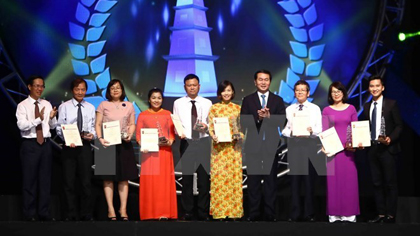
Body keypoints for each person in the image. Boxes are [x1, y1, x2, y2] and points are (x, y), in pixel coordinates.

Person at [240, 70, 286, 221]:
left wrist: (269, 117)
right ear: (255, 82)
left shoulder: (277, 100)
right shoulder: (248, 100)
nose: (263, 82)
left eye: (266, 79)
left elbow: (282, 121)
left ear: (270, 81)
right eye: (260, 79)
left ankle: (270, 213)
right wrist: (258, 118)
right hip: (253, 146)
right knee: (253, 181)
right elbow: (243, 122)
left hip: (271, 146)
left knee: (270, 181)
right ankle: (254, 213)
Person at [95, 79, 138, 221]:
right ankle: (110, 209)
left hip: (124, 144)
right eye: (112, 88)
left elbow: (132, 124)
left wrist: (130, 134)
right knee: (108, 179)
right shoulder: (103, 104)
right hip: (107, 144)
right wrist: (100, 138)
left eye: (118, 87)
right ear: (108, 90)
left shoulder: (129, 105)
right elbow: (98, 123)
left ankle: (123, 209)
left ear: (122, 90)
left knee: (123, 179)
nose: (115, 90)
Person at [16, 75, 58, 221]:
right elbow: (21, 126)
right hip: (30, 145)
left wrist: (52, 117)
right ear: (29, 87)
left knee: (45, 180)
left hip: (45, 144)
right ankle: (29, 213)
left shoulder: (46, 104)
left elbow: (52, 127)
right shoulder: (22, 105)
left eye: (42, 86)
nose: (40, 89)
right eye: (37, 86)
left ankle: (44, 213)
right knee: (29, 180)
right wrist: (38, 119)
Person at [173, 74, 212, 221]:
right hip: (187, 142)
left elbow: (211, 122)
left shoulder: (207, 102)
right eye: (189, 85)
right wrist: (179, 132)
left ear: (199, 86)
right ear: (185, 87)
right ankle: (188, 211)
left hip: (203, 142)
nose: (192, 87)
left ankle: (203, 212)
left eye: (194, 85)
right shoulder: (178, 103)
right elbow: (176, 121)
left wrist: (206, 127)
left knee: (203, 179)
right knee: (187, 179)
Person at [364, 75, 403, 224]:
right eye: (372, 86)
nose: (374, 89)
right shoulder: (367, 106)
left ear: (382, 87)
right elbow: (365, 127)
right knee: (376, 183)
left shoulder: (391, 104)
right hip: (373, 148)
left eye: (377, 86)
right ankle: (380, 214)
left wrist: (390, 138)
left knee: (390, 183)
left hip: (388, 148)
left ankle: (391, 216)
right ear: (369, 88)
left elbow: (399, 126)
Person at [56, 78, 96, 221]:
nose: (80, 92)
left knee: (86, 181)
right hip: (69, 146)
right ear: (72, 90)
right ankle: (70, 214)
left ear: (86, 90)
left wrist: (93, 135)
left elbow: (93, 128)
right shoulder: (64, 106)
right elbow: (59, 127)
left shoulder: (91, 107)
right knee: (69, 181)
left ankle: (86, 213)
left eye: (83, 89)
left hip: (85, 147)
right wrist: (67, 138)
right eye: (77, 89)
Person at [282, 79, 322, 222]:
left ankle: (309, 213)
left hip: (309, 146)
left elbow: (320, 129)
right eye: (297, 90)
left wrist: (312, 131)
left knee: (309, 181)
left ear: (308, 92)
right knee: (294, 181)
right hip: (294, 146)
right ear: (294, 92)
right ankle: (294, 214)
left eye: (303, 90)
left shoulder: (314, 108)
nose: (300, 92)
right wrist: (290, 132)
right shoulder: (289, 109)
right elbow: (285, 130)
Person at [135, 88, 178, 220]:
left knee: (164, 184)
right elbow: (138, 135)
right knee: (150, 184)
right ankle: (149, 213)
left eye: (159, 98)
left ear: (162, 99)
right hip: (149, 154)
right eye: (153, 98)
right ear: (149, 99)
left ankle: (165, 212)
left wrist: (170, 141)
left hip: (164, 153)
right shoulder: (142, 115)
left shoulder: (167, 114)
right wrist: (143, 144)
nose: (156, 100)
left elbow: (171, 134)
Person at [321, 81, 359, 223]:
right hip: (332, 152)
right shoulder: (326, 110)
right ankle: (334, 214)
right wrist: (325, 146)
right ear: (330, 95)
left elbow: (356, 128)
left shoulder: (351, 109)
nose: (336, 94)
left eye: (339, 91)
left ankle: (349, 214)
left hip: (348, 151)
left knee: (349, 182)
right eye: (333, 92)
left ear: (343, 92)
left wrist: (356, 143)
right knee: (333, 183)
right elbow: (325, 131)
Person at [208, 80, 244, 220]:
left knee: (234, 179)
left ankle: (235, 212)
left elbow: (242, 129)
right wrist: (214, 135)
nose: (226, 93)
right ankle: (220, 212)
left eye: (229, 90)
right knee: (219, 180)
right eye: (224, 90)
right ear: (220, 93)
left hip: (233, 150)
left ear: (233, 92)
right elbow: (211, 127)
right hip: (219, 150)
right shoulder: (214, 108)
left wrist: (238, 135)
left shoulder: (238, 108)